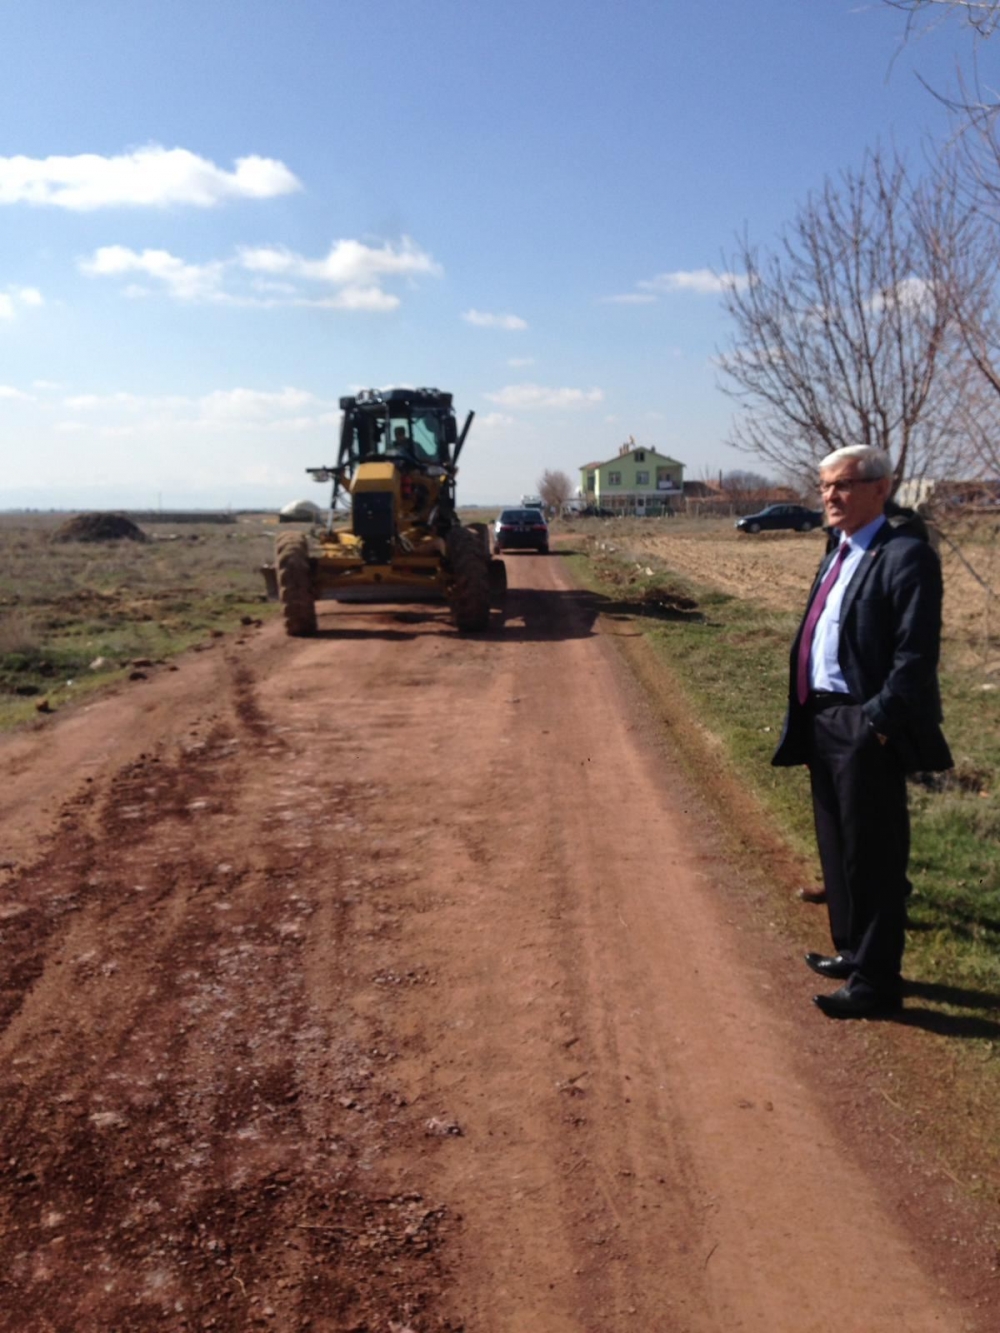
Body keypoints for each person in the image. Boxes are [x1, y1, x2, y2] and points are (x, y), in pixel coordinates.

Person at [773, 445, 952, 1018]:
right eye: (825, 486)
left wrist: (876, 721)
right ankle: (852, 952)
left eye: (844, 485)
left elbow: (916, 656)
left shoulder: (906, 556)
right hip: (821, 718)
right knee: (838, 845)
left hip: (863, 723)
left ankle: (876, 983)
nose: (830, 496)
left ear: (881, 488)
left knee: (874, 856)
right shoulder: (837, 549)